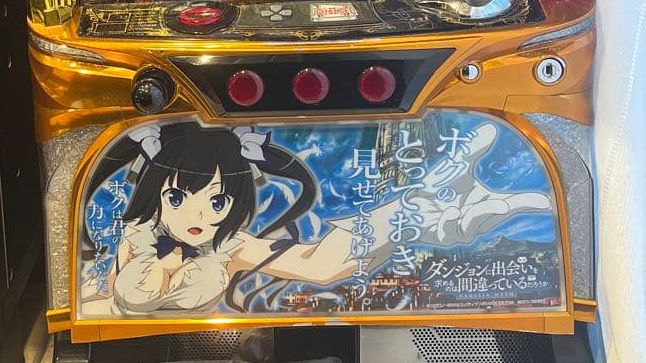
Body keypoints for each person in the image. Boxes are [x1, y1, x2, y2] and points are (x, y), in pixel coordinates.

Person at [79, 119, 553, 316]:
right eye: (179, 196)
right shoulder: (135, 233)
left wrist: (405, 214)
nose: (198, 215)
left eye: (218, 202)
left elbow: (320, 263)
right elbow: (98, 291)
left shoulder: (229, 247)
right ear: (159, 192)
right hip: (112, 351)